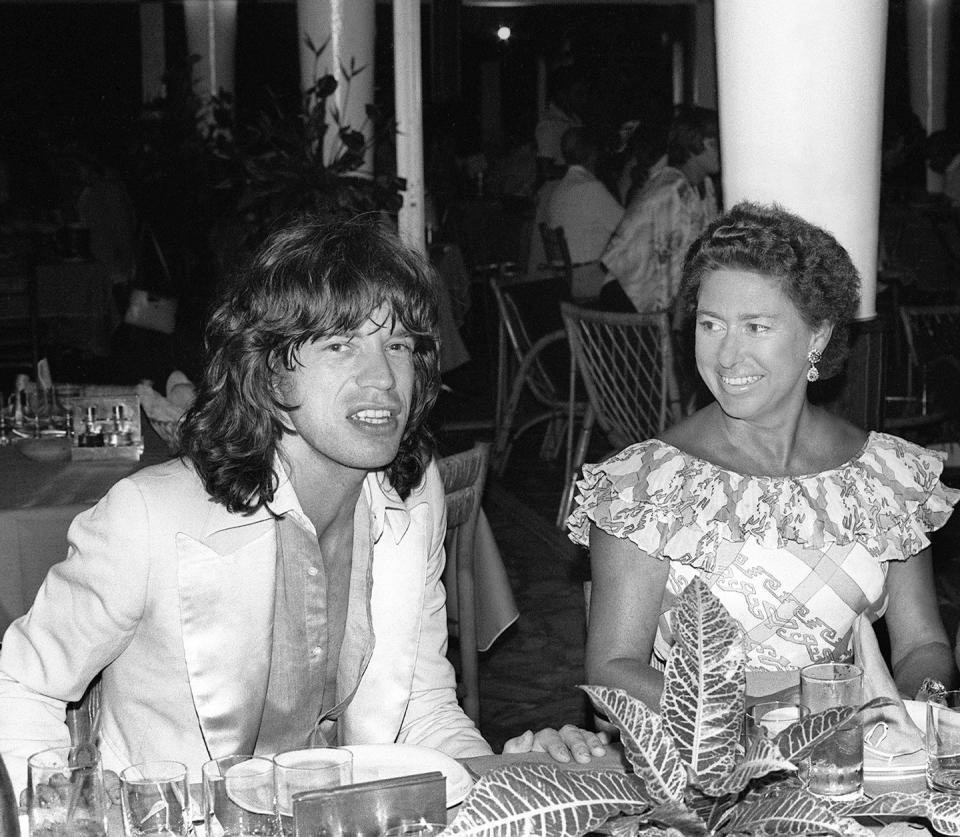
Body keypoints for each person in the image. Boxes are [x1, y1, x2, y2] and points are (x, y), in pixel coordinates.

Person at [0, 216, 606, 795]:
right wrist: (59, 815)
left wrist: (509, 769)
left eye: (397, 345)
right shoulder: (150, 516)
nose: (383, 379)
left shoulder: (412, 499)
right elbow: (20, 685)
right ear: (267, 375)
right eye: (341, 345)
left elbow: (421, 711)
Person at [570, 202, 959, 711]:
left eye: (756, 327)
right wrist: (773, 716)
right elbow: (614, 674)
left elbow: (922, 645)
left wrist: (910, 707)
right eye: (711, 325)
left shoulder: (886, 478)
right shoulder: (646, 485)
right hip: (704, 766)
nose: (727, 356)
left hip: (851, 761)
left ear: (816, 335)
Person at [599, 106, 720, 315]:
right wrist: (673, 321)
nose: (720, 150)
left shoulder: (704, 185)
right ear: (692, 144)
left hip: (657, 293)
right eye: (713, 144)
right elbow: (667, 262)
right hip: (631, 296)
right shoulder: (672, 189)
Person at [545, 127, 623, 301]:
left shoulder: (558, 190)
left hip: (563, 279)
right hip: (588, 279)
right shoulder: (590, 187)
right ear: (593, 154)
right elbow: (628, 227)